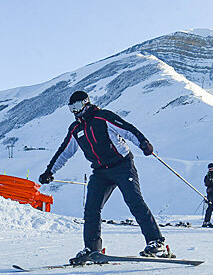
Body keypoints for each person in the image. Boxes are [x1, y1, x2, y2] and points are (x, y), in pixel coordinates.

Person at [38, 91, 170, 264]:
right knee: (91, 209)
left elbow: (128, 129)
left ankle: (156, 242)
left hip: (122, 165)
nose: (74, 112)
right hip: (100, 171)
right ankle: (93, 248)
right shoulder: (76, 129)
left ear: (86, 103)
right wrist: (50, 171)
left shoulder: (103, 117)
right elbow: (64, 152)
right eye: (71, 109)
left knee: (134, 201)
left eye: (77, 107)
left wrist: (143, 142)